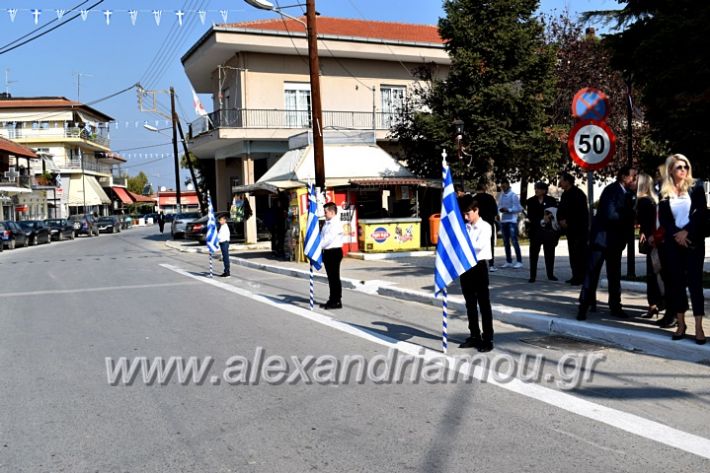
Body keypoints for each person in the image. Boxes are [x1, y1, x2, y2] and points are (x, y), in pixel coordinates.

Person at [577, 166, 638, 321]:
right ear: (624, 177)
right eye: (633, 176)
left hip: (615, 242)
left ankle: (615, 306)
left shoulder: (630, 194)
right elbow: (610, 214)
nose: (635, 180)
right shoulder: (611, 190)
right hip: (601, 240)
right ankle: (583, 306)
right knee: (592, 273)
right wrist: (630, 215)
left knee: (614, 275)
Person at [658, 154, 706, 344]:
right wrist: (677, 234)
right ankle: (680, 324)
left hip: (693, 243)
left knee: (695, 285)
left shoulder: (696, 188)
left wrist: (686, 232)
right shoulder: (663, 191)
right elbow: (664, 219)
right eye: (679, 167)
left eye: (685, 166)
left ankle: (699, 327)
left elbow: (701, 213)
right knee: (676, 284)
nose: (683, 170)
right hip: (673, 244)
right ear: (671, 170)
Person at [457, 194, 494, 352]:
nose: (466, 217)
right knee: (470, 303)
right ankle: (474, 335)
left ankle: (487, 338)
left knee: (483, 303)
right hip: (466, 267)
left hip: (479, 266)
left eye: (468, 213)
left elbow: (478, 246)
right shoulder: (465, 226)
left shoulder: (485, 226)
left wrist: (461, 242)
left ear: (476, 210)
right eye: (464, 214)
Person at [636, 172, 665, 320]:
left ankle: (653, 305)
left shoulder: (643, 201)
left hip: (651, 241)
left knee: (652, 273)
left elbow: (645, 221)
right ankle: (657, 303)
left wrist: (644, 232)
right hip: (656, 240)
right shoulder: (653, 201)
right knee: (656, 272)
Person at [557, 172, 589, 285]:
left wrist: (568, 221)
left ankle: (582, 277)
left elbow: (579, 213)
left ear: (567, 181)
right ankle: (575, 275)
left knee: (580, 254)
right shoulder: (565, 194)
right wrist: (560, 219)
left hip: (579, 230)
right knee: (573, 254)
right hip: (570, 230)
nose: (560, 182)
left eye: (561, 180)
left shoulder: (578, 194)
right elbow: (561, 209)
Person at [524, 181, 559, 283]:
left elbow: (555, 212)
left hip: (548, 231)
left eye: (538, 188)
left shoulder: (551, 200)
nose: (536, 190)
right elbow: (530, 216)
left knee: (549, 253)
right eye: (535, 188)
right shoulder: (530, 201)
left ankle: (550, 274)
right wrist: (541, 220)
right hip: (535, 231)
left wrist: (549, 217)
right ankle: (532, 276)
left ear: (544, 190)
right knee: (534, 254)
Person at [320, 202, 344, 310]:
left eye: (326, 212)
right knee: (331, 278)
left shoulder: (335, 224)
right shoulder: (327, 223)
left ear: (332, 212)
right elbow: (322, 237)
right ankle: (332, 299)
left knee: (334, 278)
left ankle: (337, 301)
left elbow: (328, 239)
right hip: (328, 252)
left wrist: (318, 247)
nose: (324, 214)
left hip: (334, 252)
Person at [497, 179, 523, 269]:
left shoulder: (513, 195)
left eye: (504, 186)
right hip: (503, 221)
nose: (503, 188)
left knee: (514, 241)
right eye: (502, 186)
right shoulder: (501, 195)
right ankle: (508, 261)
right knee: (506, 242)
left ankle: (519, 261)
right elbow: (499, 206)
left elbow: (519, 208)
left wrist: (509, 210)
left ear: (508, 185)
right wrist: (499, 210)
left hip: (512, 221)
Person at [473, 181, 499, 272]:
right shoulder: (490, 198)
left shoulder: (474, 199)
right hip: (489, 223)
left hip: (477, 223)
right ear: (484, 189)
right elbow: (495, 211)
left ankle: (477, 262)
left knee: (477, 242)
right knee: (490, 243)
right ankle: (491, 265)